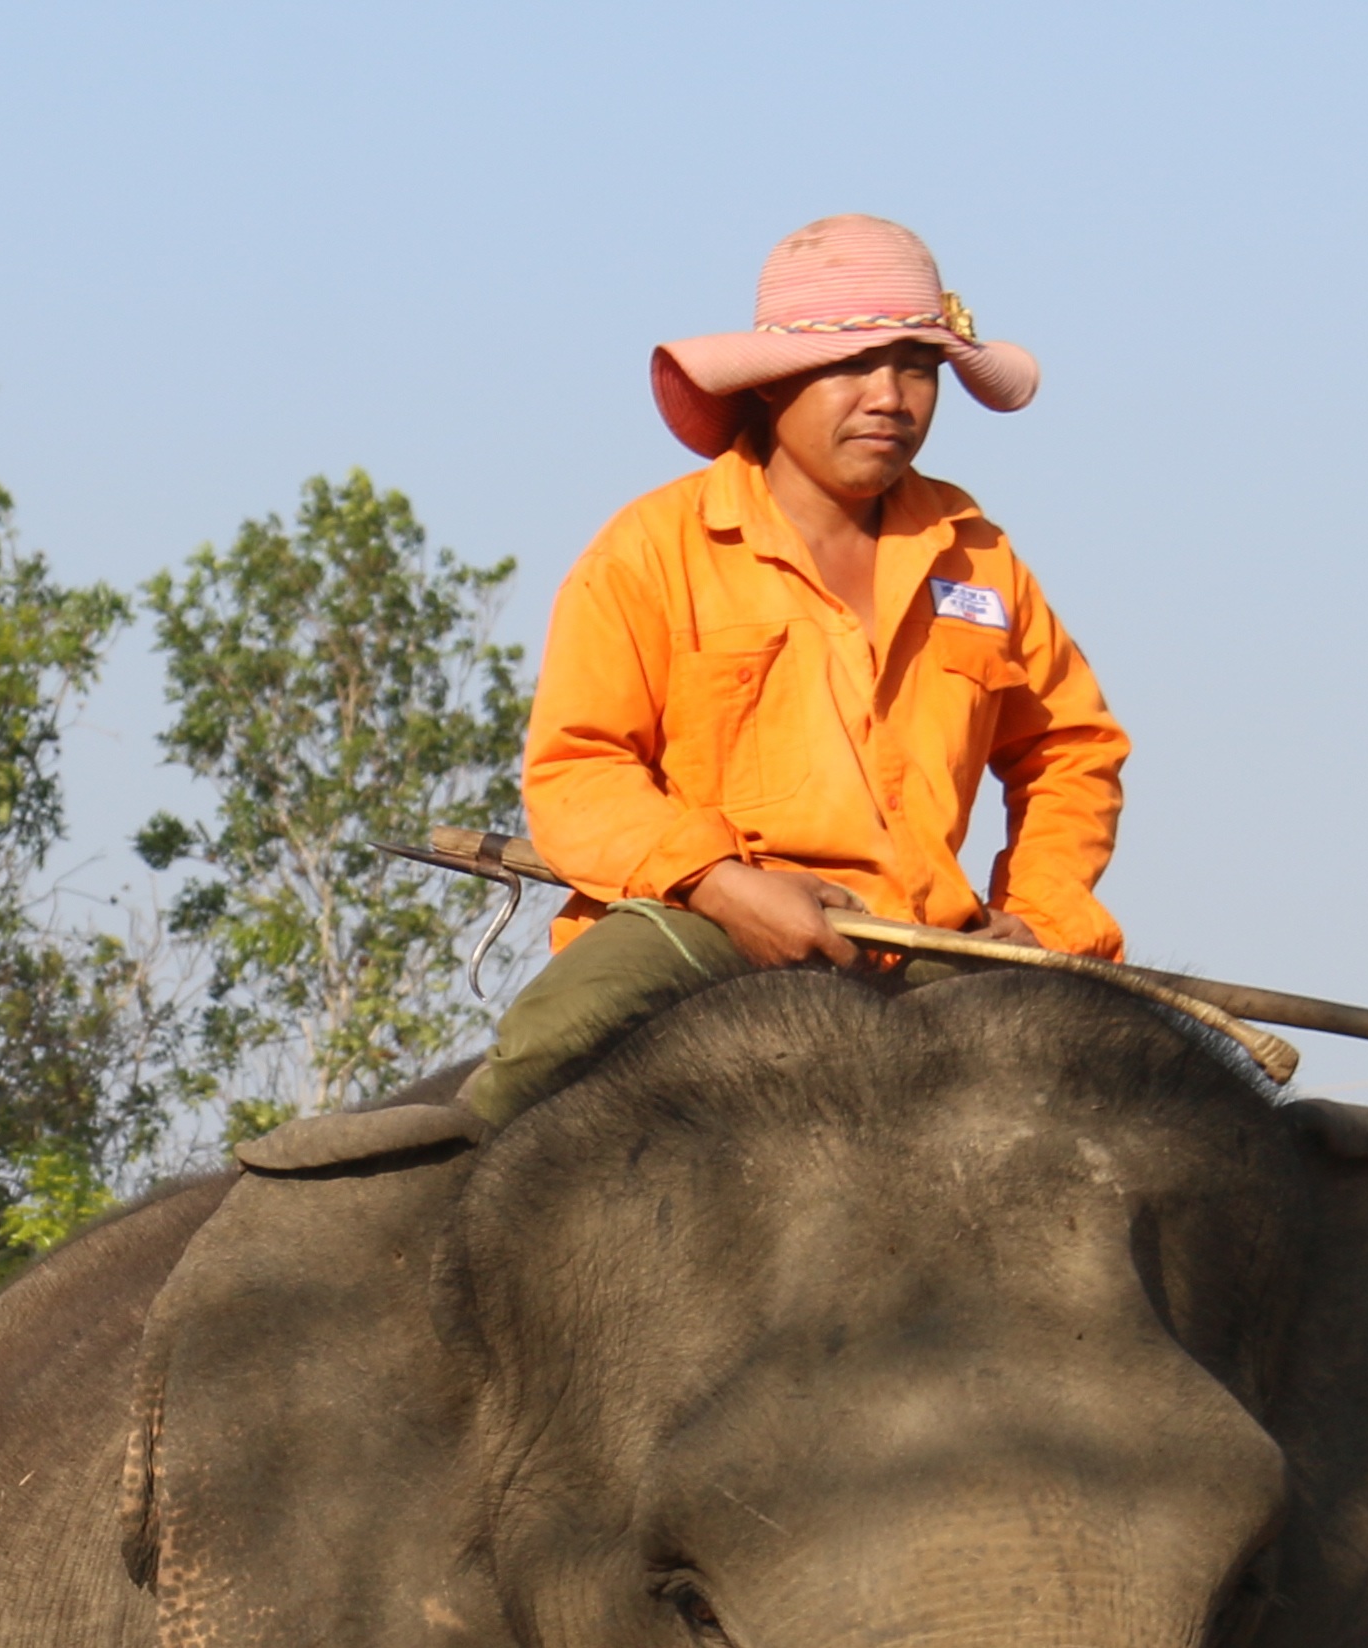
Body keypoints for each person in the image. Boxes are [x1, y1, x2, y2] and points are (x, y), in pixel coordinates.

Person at [460, 216, 1129, 1136]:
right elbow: (579, 773)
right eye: (853, 365)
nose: (891, 397)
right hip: (705, 928)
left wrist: (1040, 914)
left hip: (927, 944)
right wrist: (727, 886)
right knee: (538, 1052)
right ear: (771, 383)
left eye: (916, 367)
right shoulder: (651, 551)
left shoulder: (977, 558)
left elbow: (1071, 748)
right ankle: (408, 1225)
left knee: (1151, 1095)